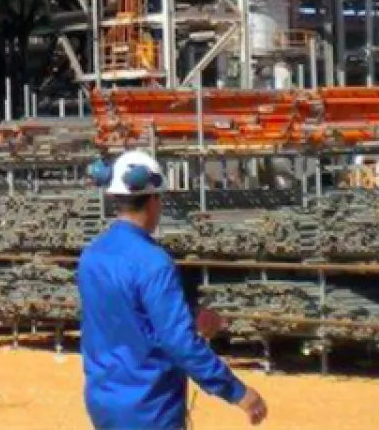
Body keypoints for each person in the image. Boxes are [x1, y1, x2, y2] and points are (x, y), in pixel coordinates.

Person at [78, 150, 268, 430]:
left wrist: (188, 315)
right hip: (150, 406)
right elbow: (179, 343)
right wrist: (237, 392)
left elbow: (124, 315)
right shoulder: (154, 262)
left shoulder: (92, 255)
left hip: (103, 400)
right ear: (154, 200)